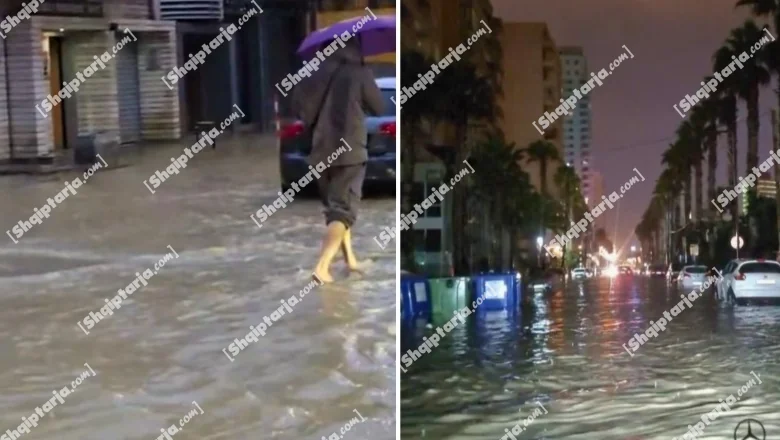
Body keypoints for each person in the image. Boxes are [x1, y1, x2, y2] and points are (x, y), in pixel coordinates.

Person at [292, 36, 384, 283]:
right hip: (349, 150)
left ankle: (350, 260)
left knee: (336, 208)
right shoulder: (359, 72)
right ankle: (322, 267)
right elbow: (379, 107)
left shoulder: (311, 74)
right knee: (343, 212)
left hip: (320, 152)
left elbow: (297, 108)